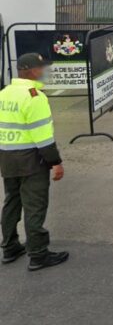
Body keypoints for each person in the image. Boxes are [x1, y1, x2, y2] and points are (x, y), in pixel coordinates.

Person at [0, 53, 69, 270]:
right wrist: (55, 162)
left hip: (7, 157)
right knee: (34, 206)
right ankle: (38, 253)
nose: (44, 71)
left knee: (12, 202)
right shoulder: (34, 96)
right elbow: (43, 137)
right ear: (29, 70)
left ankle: (10, 247)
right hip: (30, 160)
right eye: (41, 68)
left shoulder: (5, 93)